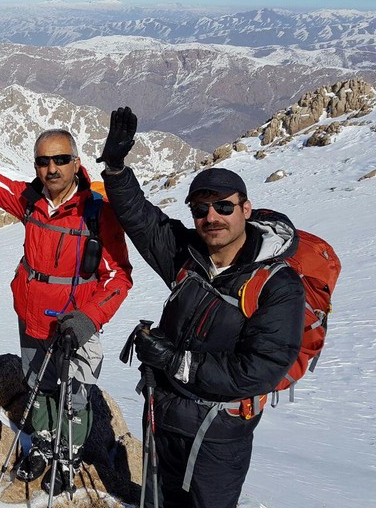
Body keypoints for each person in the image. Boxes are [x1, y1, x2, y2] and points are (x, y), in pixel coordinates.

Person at [99, 106, 305, 508]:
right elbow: (142, 221)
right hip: (164, 416)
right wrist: (116, 168)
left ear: (246, 209)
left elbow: (258, 370)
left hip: (218, 434)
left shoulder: (277, 285)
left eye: (224, 207)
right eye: (200, 210)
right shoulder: (189, 258)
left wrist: (176, 361)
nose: (211, 217)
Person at [0, 95, 133, 495]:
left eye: (60, 160)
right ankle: (45, 442)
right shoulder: (29, 201)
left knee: (75, 395)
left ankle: (67, 456)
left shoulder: (97, 214)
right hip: (33, 318)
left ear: (76, 164)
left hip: (76, 326)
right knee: (38, 385)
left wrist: (87, 319)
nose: (51, 168)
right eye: (43, 161)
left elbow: (119, 277)